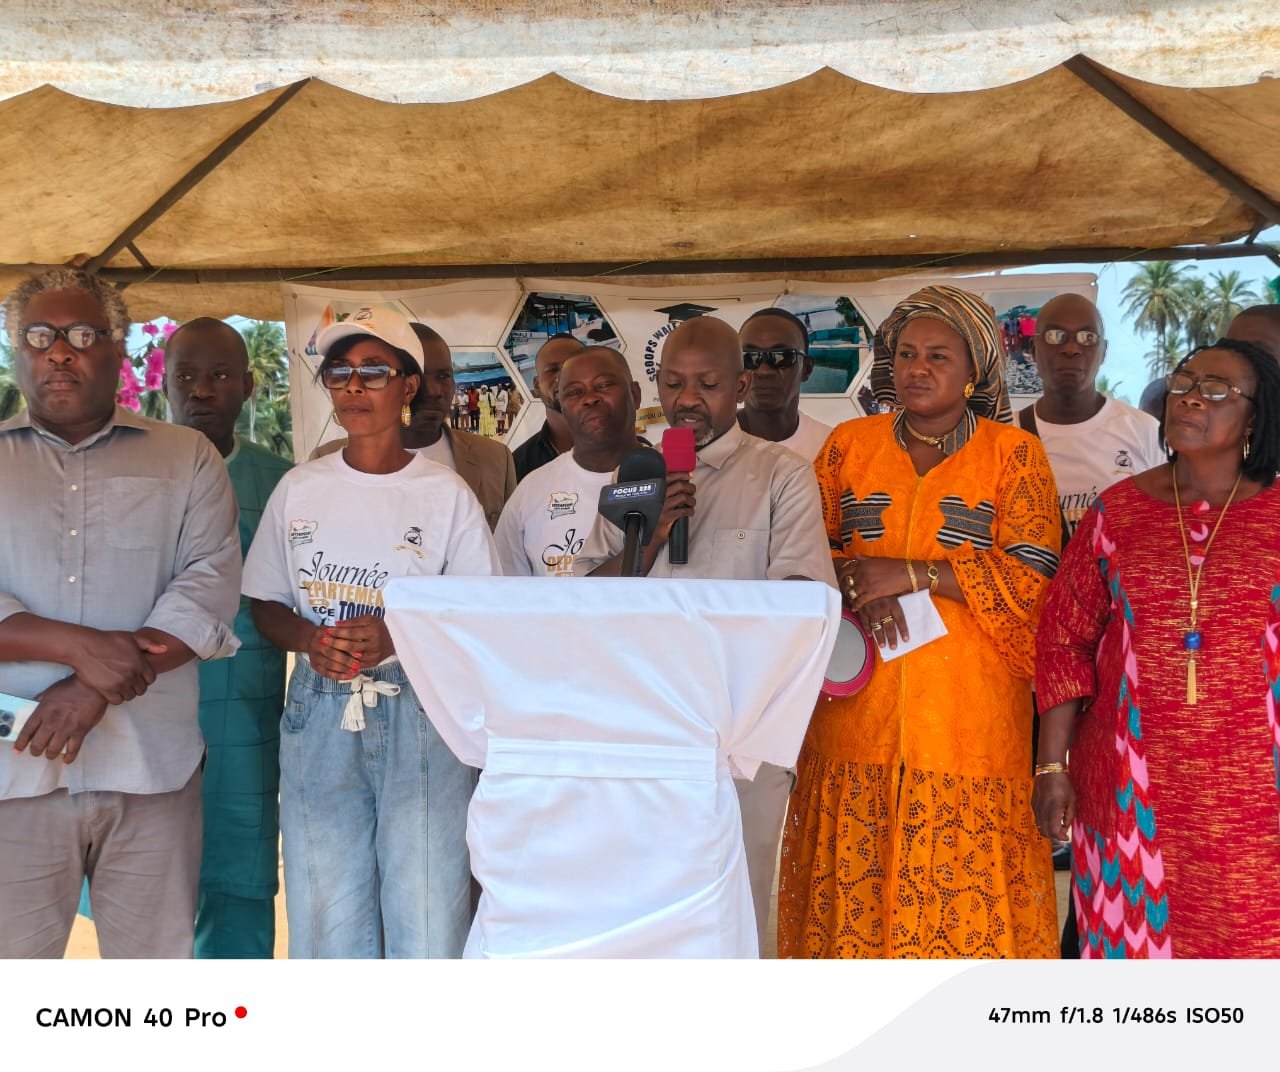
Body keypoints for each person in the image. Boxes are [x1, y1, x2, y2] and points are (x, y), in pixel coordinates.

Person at [779, 283, 1061, 959]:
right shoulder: (849, 446)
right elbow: (804, 553)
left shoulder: (1012, 454)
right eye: (906, 353)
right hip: (857, 714)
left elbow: (1035, 578)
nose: (918, 368)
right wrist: (855, 583)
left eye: (938, 356)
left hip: (968, 722)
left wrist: (912, 574)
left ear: (974, 371)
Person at [242, 306, 499, 958]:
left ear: (408, 386)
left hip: (421, 709)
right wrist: (311, 640)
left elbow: (480, 612)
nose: (354, 387)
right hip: (320, 710)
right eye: (340, 372)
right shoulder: (300, 488)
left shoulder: (444, 495)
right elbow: (265, 601)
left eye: (374, 371)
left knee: (427, 906)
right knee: (325, 904)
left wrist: (398, 635)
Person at [575, 315, 835, 953]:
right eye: (673, 383)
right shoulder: (636, 474)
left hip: (741, 739)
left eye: (708, 384)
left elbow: (803, 608)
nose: (687, 399)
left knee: (734, 918)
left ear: (740, 387)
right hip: (643, 734)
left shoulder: (781, 475)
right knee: (646, 920)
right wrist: (652, 535)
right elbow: (583, 603)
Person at [0, 269, 240, 958]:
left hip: (151, 771)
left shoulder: (186, 457)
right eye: (38, 336)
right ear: (17, 352)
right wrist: (80, 649)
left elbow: (207, 586)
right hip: (12, 773)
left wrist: (89, 689)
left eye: (82, 335)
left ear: (119, 349)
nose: (59, 352)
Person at [1033, 337, 1280, 958]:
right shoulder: (1116, 513)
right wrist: (1051, 767)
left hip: (1254, 801)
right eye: (1184, 383)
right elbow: (1063, 641)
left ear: (1256, 417)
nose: (1190, 398)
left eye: (1216, 389)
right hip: (1128, 791)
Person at [162, 316, 291, 959]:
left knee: (240, 865)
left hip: (245, 711)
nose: (202, 389)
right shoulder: (134, 474)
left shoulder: (284, 483)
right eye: (186, 375)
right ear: (164, 384)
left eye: (219, 375)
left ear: (248, 385)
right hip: (151, 701)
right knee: (149, 873)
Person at [314, 323, 517, 531]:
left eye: (443, 376)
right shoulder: (324, 461)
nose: (434, 391)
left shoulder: (495, 459)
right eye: (419, 376)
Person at [495, 346, 643, 577]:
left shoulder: (677, 479)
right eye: (574, 392)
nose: (590, 398)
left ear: (635, 394)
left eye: (603, 385)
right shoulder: (531, 492)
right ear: (562, 407)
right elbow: (504, 591)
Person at [1025, 293, 1164, 534]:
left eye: (1087, 337)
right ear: (1033, 349)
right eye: (1055, 336)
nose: (1071, 348)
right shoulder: (1007, 435)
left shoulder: (1145, 431)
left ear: (1104, 351)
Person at [737, 307, 831, 462]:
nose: (763, 371)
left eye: (782, 357)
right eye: (749, 357)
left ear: (806, 369)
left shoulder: (830, 449)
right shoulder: (707, 444)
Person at [512, 334, 586, 481]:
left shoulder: (627, 451)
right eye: (552, 370)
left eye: (573, 366)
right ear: (537, 385)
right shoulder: (517, 466)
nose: (564, 377)